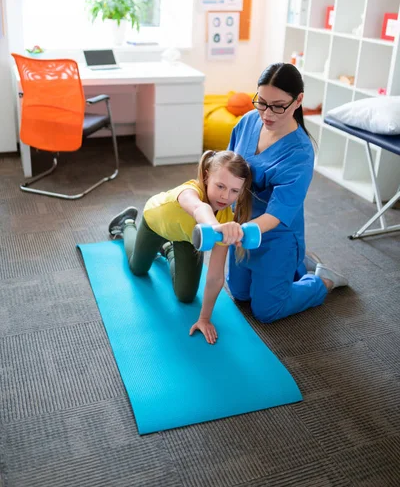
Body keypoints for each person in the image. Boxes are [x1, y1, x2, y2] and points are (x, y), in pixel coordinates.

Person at [227, 62, 349, 323]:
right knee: (239, 294)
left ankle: (321, 280)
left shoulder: (300, 153)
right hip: (243, 226)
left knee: (266, 311)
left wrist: (241, 231)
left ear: (298, 101)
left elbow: (277, 214)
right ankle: (299, 264)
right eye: (261, 102)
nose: (267, 114)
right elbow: (226, 169)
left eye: (278, 105)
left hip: (276, 235)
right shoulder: (248, 121)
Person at [107, 150, 253, 344]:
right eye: (220, 186)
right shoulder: (190, 192)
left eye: (234, 191)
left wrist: (204, 318)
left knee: (186, 295)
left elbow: (216, 276)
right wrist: (216, 227)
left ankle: (168, 248)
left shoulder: (225, 219)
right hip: (156, 224)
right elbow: (200, 209)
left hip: (185, 238)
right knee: (137, 269)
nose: (226, 196)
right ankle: (126, 223)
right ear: (207, 176)